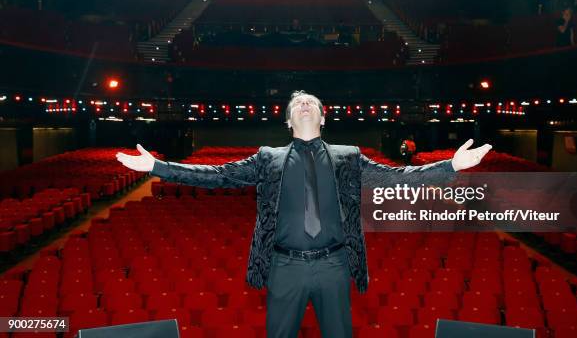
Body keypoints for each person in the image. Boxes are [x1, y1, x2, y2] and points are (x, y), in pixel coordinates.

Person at [116, 90, 492, 338]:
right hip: (285, 266)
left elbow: (397, 178)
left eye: (312, 101)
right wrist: (157, 167)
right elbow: (217, 176)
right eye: (298, 103)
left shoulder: (348, 155)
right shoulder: (268, 158)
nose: (305, 104)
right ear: (288, 121)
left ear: (324, 118)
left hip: (335, 265)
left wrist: (451, 167)